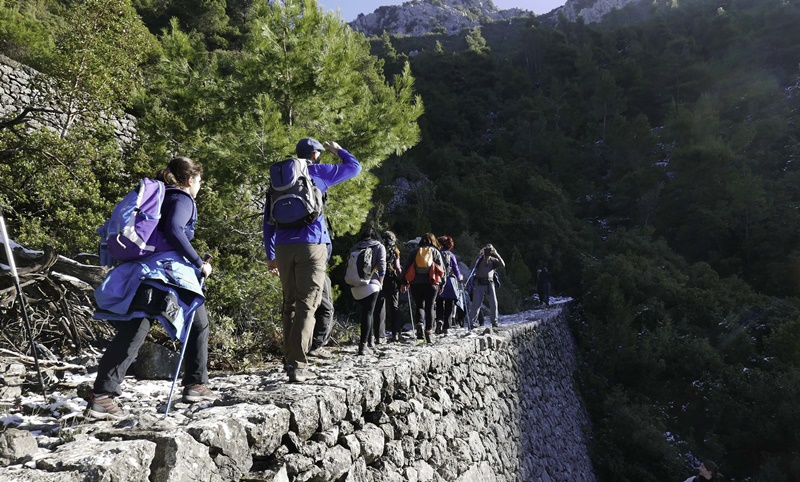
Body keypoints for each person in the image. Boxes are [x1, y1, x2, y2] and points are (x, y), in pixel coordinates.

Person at [87, 157, 215, 420]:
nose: (199, 186)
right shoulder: (182, 199)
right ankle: (196, 385)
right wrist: (198, 262)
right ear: (190, 180)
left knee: (135, 328)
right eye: (199, 180)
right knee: (198, 323)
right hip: (166, 274)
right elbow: (174, 229)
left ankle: (103, 396)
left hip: (141, 271)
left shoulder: (159, 197)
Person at [263, 138, 361, 382]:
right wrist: (337, 150)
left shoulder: (279, 181)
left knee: (289, 304)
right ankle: (298, 364)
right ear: (316, 155)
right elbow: (355, 167)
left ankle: (289, 359)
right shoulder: (319, 172)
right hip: (312, 246)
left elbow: (267, 222)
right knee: (308, 304)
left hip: (284, 248)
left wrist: (270, 255)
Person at [401, 233, 445, 343]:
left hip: (416, 283)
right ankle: (428, 331)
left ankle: (419, 324)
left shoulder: (414, 252)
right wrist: (442, 283)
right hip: (432, 282)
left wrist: (404, 282)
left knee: (419, 305)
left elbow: (406, 267)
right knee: (430, 306)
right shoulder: (435, 252)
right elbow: (442, 269)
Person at [348, 228, 386, 355]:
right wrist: (380, 281)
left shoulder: (355, 247)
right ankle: (363, 345)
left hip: (355, 285)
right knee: (369, 313)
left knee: (365, 313)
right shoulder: (379, 246)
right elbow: (382, 265)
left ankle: (370, 342)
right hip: (372, 284)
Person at [467, 244, 505, 329]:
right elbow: (472, 266)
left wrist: (496, 253)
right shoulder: (479, 259)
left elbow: (503, 265)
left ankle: (494, 322)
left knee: (494, 303)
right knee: (476, 304)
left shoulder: (493, 260)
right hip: (479, 283)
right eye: (486, 249)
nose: (487, 251)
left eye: (489, 250)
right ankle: (472, 323)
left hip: (490, 283)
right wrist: (479, 254)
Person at [373, 230, 402, 342]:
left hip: (380, 279)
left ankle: (379, 336)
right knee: (394, 307)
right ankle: (396, 333)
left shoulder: (378, 247)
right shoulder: (395, 249)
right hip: (392, 280)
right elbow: (398, 267)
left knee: (379, 306)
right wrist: (403, 280)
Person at [435, 235, 462, 335]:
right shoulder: (451, 255)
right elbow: (456, 269)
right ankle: (446, 326)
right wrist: (460, 279)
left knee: (439, 303)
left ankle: (439, 320)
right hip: (450, 281)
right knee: (449, 304)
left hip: (438, 281)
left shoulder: (435, 253)